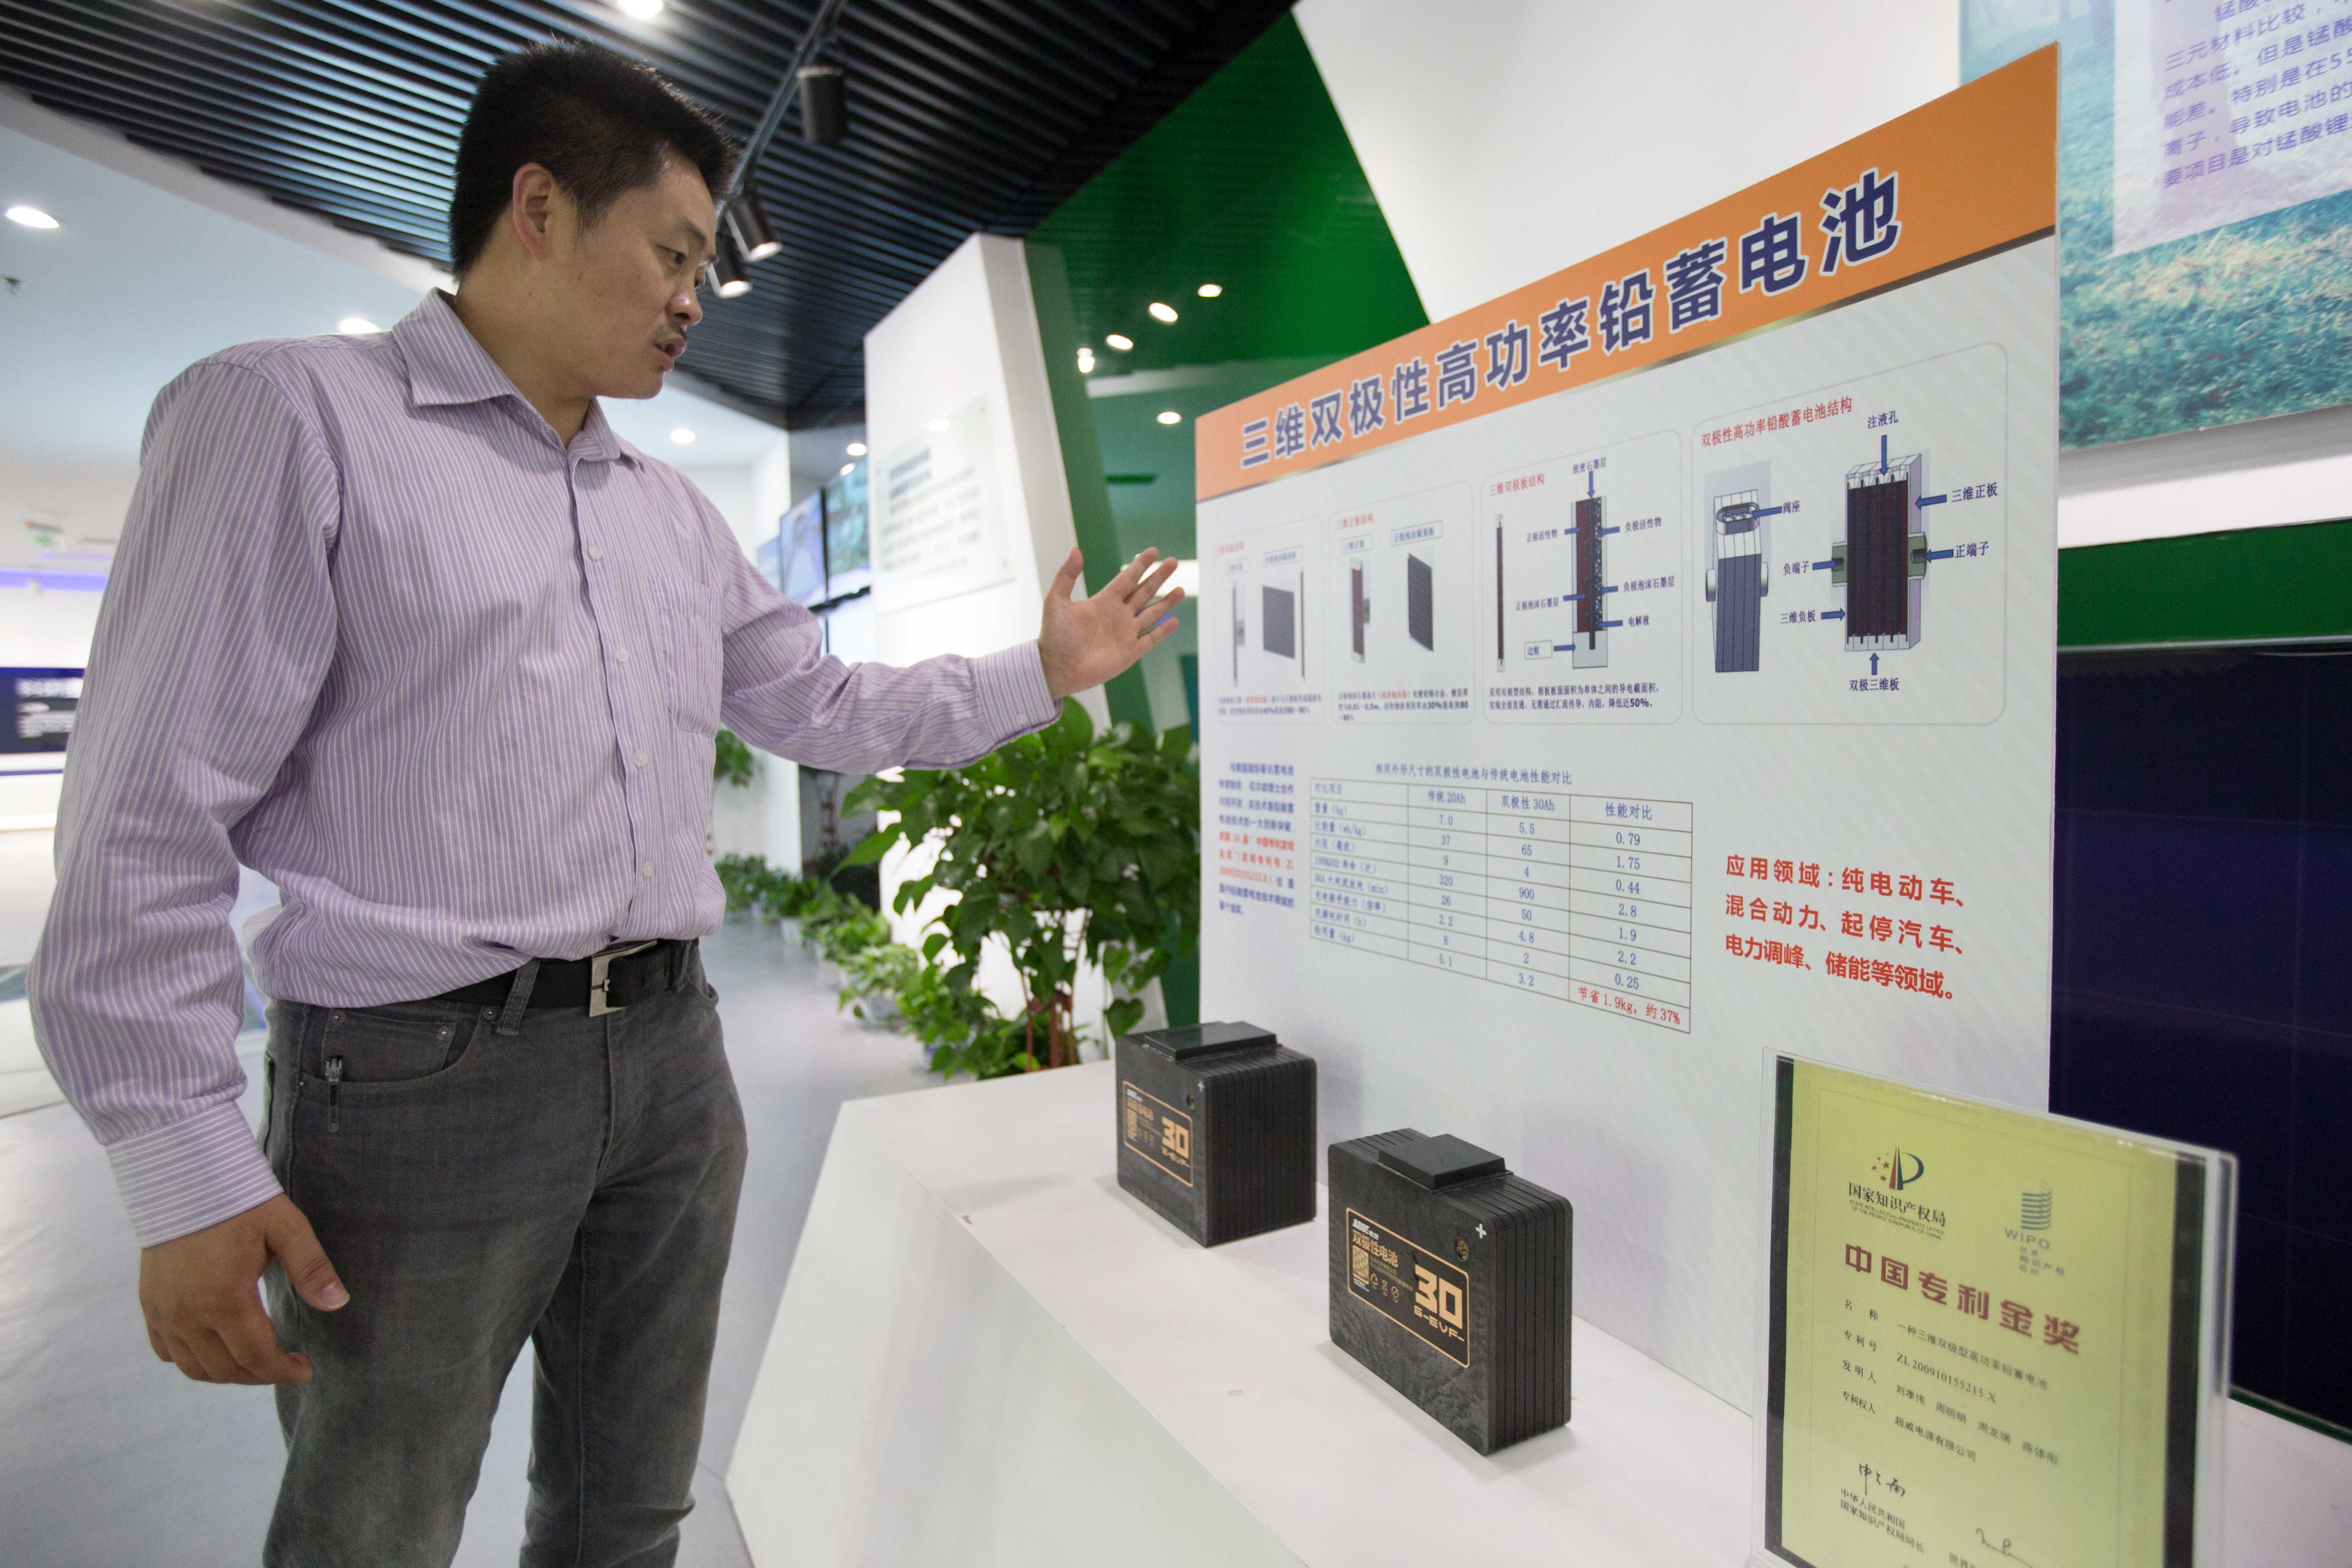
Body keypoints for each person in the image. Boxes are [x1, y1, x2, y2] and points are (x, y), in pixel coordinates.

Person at [27, 40, 1181, 1568]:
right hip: (417, 1079)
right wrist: (177, 1167)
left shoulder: (669, 512)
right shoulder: (291, 417)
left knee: (628, 1509)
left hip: (670, 1058)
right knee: (375, 1525)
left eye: (703, 265)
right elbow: (148, 815)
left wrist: (1045, 669)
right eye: (674, 254)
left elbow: (820, 703)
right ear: (538, 210)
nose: (696, 298)